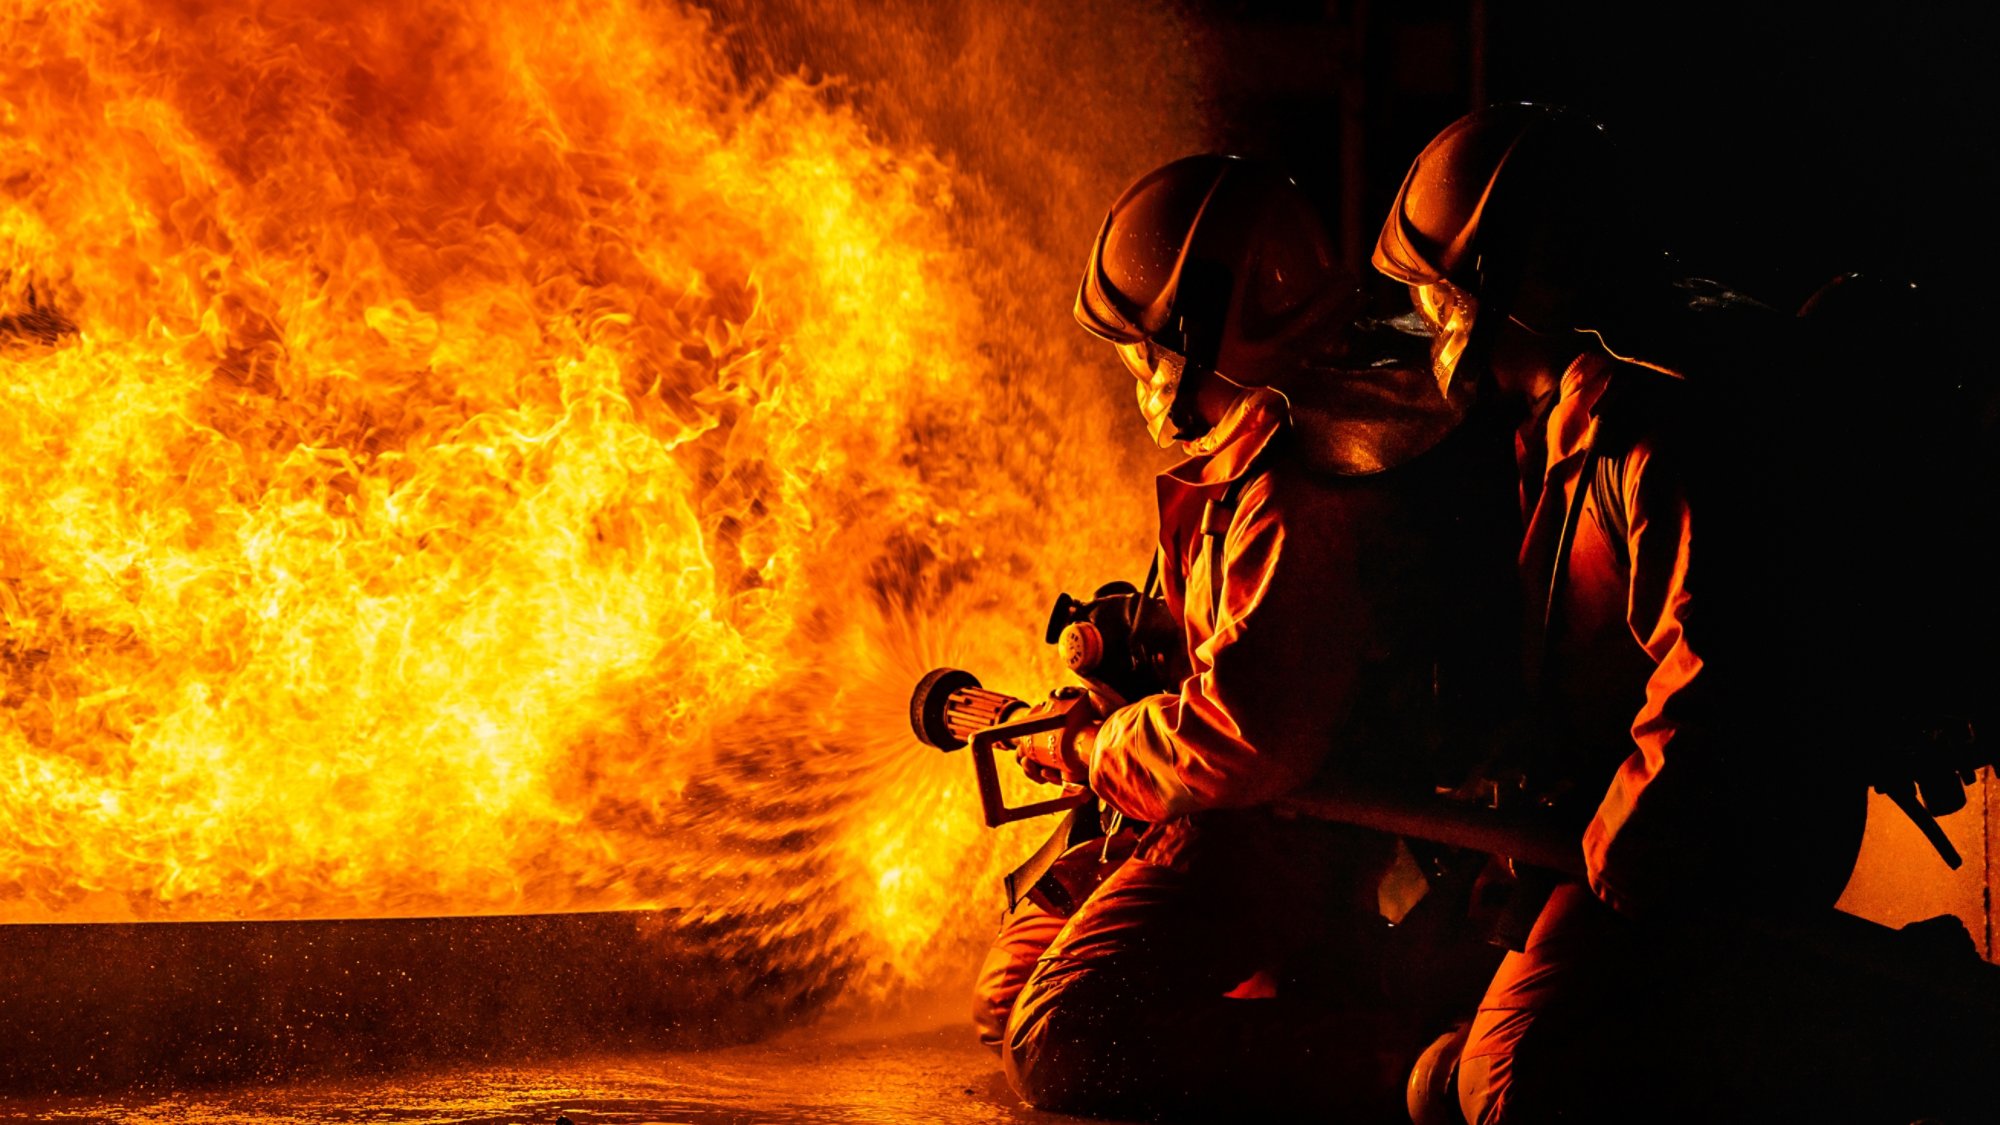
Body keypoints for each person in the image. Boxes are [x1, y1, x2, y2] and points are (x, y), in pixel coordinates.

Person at [1372, 102, 2000, 1124]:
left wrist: (1625, 830)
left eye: (1444, 294)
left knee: (1509, 1089)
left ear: (1517, 280)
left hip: (1724, 829)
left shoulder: (1663, 421)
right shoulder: (1566, 405)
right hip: (1629, 815)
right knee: (1420, 996)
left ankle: (1889, 1021)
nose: (1438, 324)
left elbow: (1714, 677)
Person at [978, 153, 1522, 1120]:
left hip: (1291, 825)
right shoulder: (1264, 446)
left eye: (1146, 349)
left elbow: (1250, 731)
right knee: (1002, 995)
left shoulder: (1294, 488)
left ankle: (1407, 1061)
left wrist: (1095, 746)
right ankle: (1302, 1002)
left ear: (1205, 333)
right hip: (1238, 810)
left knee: (1066, 1041)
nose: (1139, 372)